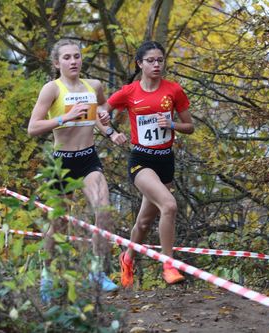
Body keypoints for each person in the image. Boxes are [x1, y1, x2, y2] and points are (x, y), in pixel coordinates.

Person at [27, 39, 126, 301]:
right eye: (67, 57)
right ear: (57, 63)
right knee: (58, 225)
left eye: (77, 56)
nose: (73, 61)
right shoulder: (52, 89)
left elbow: (102, 111)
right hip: (62, 163)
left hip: (88, 159)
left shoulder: (93, 86)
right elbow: (33, 127)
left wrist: (109, 128)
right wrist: (65, 118)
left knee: (103, 211)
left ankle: (97, 272)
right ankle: (48, 276)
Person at [102, 41, 194, 287]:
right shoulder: (129, 92)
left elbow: (190, 126)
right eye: (151, 61)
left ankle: (128, 257)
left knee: (143, 223)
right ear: (139, 64)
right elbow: (101, 112)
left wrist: (172, 125)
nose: (156, 65)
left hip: (165, 161)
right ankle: (169, 265)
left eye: (160, 60)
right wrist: (110, 130)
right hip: (141, 161)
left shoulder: (173, 90)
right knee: (169, 205)